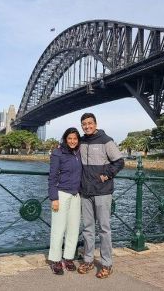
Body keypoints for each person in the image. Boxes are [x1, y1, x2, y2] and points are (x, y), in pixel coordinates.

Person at [77, 113, 124, 279]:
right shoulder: (81, 142)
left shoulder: (106, 140)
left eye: (90, 123)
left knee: (104, 229)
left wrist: (107, 175)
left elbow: (119, 161)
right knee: (88, 229)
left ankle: (107, 264)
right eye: (84, 124)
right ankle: (88, 260)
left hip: (103, 191)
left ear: (95, 124)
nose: (87, 126)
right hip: (86, 192)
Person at [47, 127, 82, 275]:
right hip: (61, 194)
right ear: (65, 139)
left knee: (73, 229)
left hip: (76, 195)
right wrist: (54, 197)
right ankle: (55, 260)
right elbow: (52, 177)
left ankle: (68, 258)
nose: (73, 141)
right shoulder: (58, 153)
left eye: (75, 139)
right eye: (70, 138)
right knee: (58, 229)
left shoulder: (79, 153)